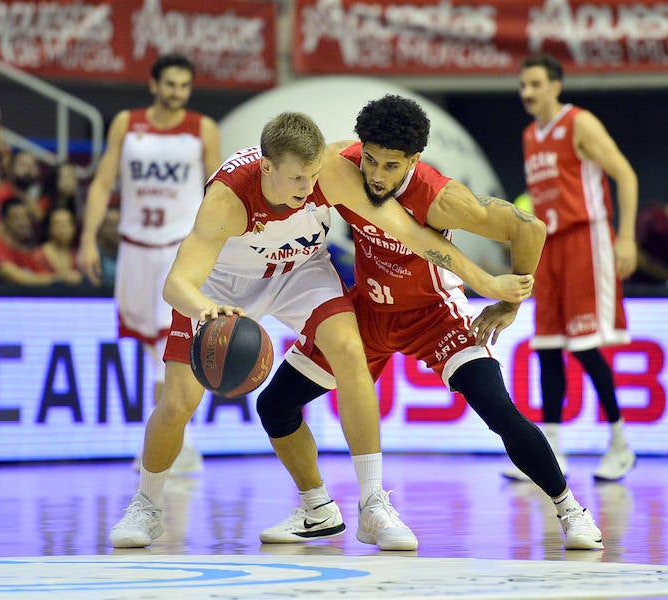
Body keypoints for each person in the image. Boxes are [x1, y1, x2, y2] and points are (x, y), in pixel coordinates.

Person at [107, 112, 535, 551]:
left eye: (313, 176)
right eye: (296, 178)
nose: (307, 188)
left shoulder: (330, 172)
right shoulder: (228, 199)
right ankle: (148, 505)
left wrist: (486, 283)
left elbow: (410, 233)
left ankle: (372, 504)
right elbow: (175, 285)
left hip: (300, 271)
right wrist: (207, 310)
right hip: (223, 286)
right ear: (267, 167)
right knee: (178, 401)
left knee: (350, 350)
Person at [252, 95, 604, 552]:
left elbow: (530, 228)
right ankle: (318, 509)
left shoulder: (442, 199)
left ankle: (569, 509)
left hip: (433, 317)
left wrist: (511, 304)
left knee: (499, 411)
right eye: (372, 161)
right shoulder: (343, 162)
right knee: (274, 405)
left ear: (414, 161)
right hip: (369, 314)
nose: (377, 175)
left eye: (391, 166)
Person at [77, 53, 222, 475]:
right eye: (171, 84)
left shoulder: (202, 129)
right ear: (154, 84)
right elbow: (104, 181)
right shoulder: (126, 122)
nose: (177, 92)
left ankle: (176, 444)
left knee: (166, 344)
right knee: (147, 346)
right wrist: (88, 238)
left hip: (180, 248)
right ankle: (167, 438)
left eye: (184, 85)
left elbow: (218, 192)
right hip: (134, 246)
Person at [502, 53, 638, 483]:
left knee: (584, 345)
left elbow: (627, 176)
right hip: (549, 245)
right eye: (523, 85)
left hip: (587, 236)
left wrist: (627, 237)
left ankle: (620, 443)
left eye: (535, 84)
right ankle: (550, 453)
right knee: (546, 345)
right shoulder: (528, 135)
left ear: (556, 86)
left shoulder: (580, 122)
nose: (528, 92)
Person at [0, 197, 81, 287]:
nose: (24, 223)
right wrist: (60, 278)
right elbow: (18, 278)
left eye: (26, 217)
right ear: (4, 222)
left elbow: (43, 276)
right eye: (17, 218)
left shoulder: (24, 255)